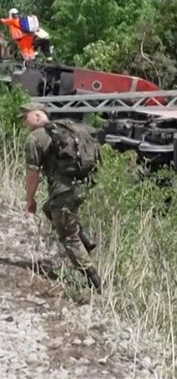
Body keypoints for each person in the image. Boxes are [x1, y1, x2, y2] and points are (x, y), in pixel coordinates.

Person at [23, 108, 102, 291]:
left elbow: (32, 173)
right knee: (50, 208)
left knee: (67, 235)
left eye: (24, 118)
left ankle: (93, 280)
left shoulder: (35, 138)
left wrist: (29, 199)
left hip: (64, 190)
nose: (23, 124)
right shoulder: (68, 128)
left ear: (36, 115)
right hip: (83, 185)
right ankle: (86, 240)